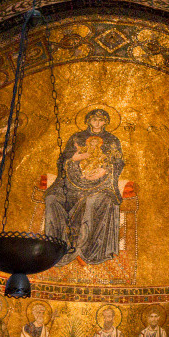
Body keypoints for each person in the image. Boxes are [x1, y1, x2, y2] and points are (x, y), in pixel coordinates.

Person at [44, 109, 125, 266]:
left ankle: (87, 250)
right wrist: (76, 157)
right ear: (88, 120)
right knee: (52, 199)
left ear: (106, 122)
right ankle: (57, 247)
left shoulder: (112, 140)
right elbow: (64, 158)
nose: (97, 123)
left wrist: (104, 170)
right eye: (94, 119)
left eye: (101, 120)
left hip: (101, 185)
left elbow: (118, 161)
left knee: (92, 202)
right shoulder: (77, 137)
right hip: (71, 183)